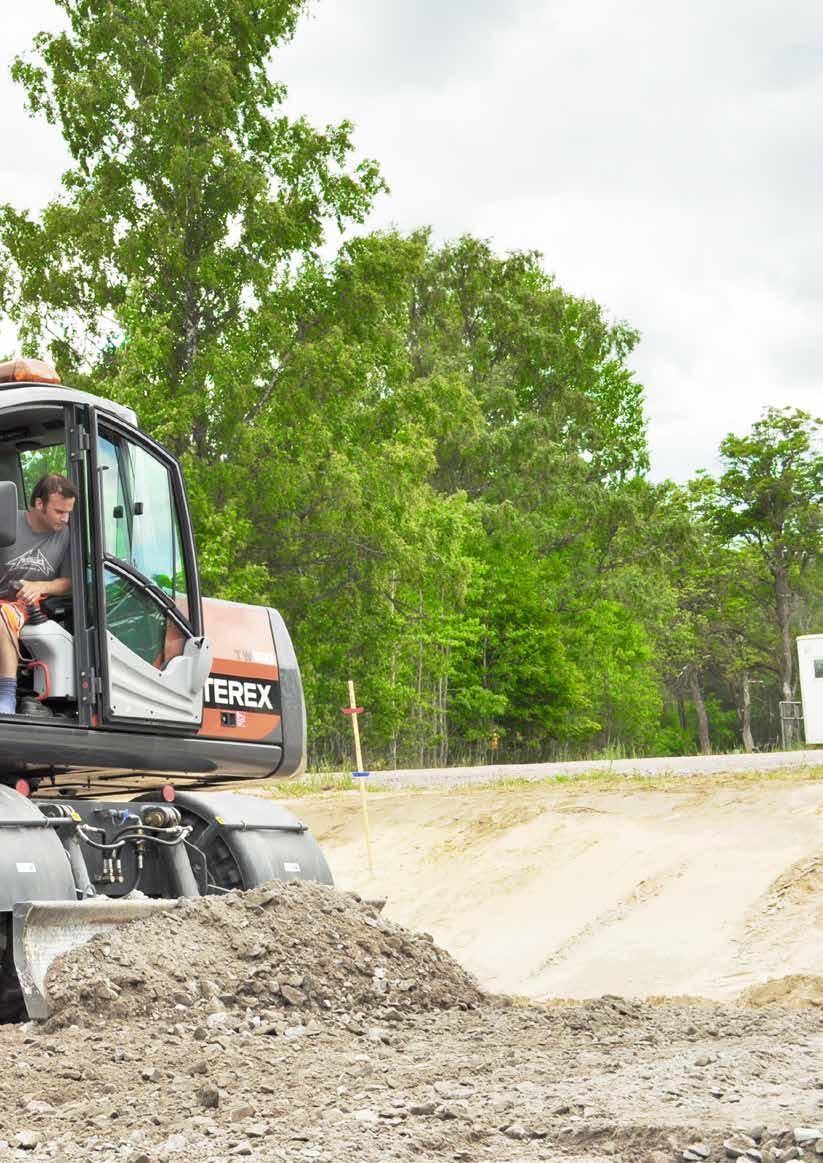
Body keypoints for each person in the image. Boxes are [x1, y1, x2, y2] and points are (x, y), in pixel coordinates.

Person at [0, 473, 76, 715]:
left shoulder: (66, 535)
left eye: (68, 512)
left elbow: (69, 583)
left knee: (2, 616)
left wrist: (41, 586)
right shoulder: (8, 522)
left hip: (23, 603)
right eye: (59, 512)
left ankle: (6, 697)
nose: (65, 519)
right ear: (39, 504)